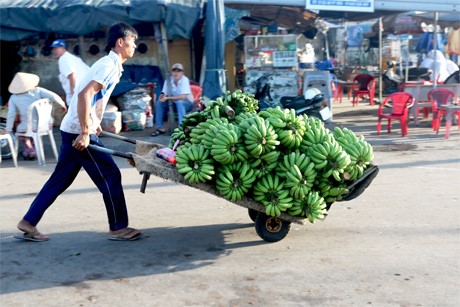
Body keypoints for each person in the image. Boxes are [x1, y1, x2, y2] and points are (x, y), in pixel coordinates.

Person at [15, 22, 141, 242]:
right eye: (133, 41)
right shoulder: (108, 65)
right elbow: (84, 95)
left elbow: (93, 98)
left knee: (60, 180)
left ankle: (28, 221)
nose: (135, 46)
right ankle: (118, 228)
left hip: (71, 128)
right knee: (110, 175)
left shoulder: (112, 64)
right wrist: (85, 131)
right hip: (77, 132)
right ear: (121, 42)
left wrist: (95, 121)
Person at [1, 72, 67, 160]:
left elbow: (11, 114)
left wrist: (8, 129)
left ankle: (29, 148)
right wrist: (62, 105)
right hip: (45, 124)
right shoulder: (38, 90)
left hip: (27, 127)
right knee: (33, 132)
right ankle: (31, 149)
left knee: (21, 131)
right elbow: (54, 96)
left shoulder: (13, 97)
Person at [152, 63, 194, 136]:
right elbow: (164, 92)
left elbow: (183, 97)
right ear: (172, 72)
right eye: (174, 71)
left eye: (179, 71)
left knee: (180, 102)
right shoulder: (168, 80)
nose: (176, 73)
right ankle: (159, 128)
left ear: (182, 73)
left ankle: (181, 128)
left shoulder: (184, 80)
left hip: (187, 103)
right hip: (174, 103)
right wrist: (162, 96)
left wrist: (167, 98)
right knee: (159, 103)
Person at [51, 39, 90, 106]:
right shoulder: (73, 58)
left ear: (63, 48)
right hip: (86, 91)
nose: (54, 51)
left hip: (77, 93)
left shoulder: (63, 59)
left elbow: (72, 75)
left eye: (57, 48)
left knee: (76, 115)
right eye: (53, 49)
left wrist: (73, 93)